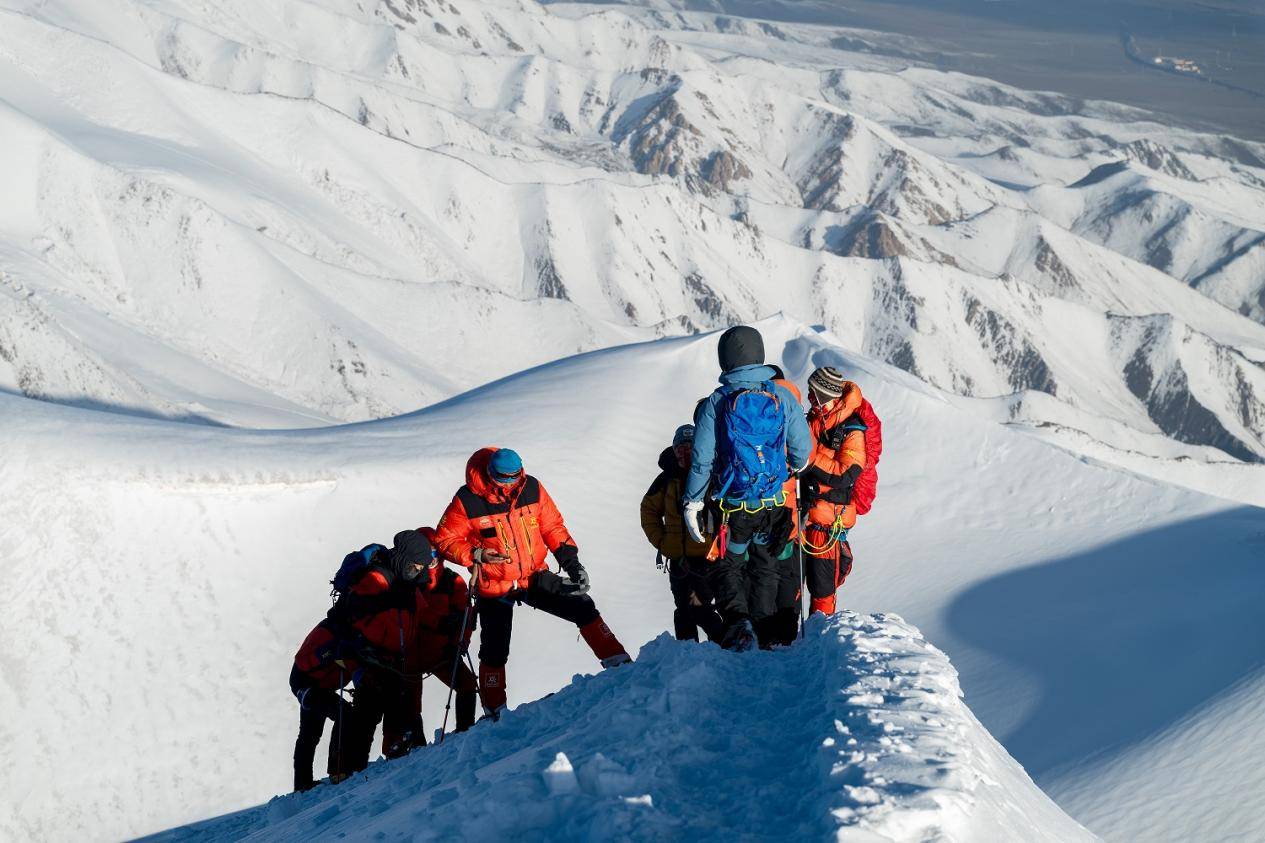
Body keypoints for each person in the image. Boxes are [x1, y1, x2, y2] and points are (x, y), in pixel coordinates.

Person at [434, 447, 631, 719]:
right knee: (494, 649)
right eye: (504, 478)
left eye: (515, 476)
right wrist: (475, 555)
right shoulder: (468, 499)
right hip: (495, 583)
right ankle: (494, 710)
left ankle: (620, 663)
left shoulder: (532, 488)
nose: (510, 483)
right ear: (491, 474)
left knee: (582, 605)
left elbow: (552, 527)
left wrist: (572, 564)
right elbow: (445, 539)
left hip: (532, 575)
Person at [684, 326, 812, 651]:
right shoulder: (780, 395)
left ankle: (739, 626)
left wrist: (692, 502)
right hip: (772, 505)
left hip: (733, 507)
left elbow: (702, 457)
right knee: (766, 567)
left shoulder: (718, 400)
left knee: (730, 566)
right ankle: (767, 631)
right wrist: (793, 467)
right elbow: (802, 450)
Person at [329, 529, 478, 767]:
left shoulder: (432, 582)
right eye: (421, 562)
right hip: (395, 656)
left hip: (425, 654)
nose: (425, 567)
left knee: (402, 701)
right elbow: (358, 613)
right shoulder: (394, 580)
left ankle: (462, 734)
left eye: (432, 559)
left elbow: (435, 614)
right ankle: (389, 755)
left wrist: (457, 639)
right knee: (393, 705)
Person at [640, 424, 724, 642]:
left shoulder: (710, 474)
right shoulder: (666, 479)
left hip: (707, 558)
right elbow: (648, 510)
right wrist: (662, 542)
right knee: (684, 609)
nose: (685, 451)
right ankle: (690, 654)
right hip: (678, 559)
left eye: (690, 446)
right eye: (680, 447)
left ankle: (724, 646)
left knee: (700, 608)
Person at [800, 367, 867, 615]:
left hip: (827, 524)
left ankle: (820, 638)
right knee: (792, 587)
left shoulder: (852, 428)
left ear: (824, 395)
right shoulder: (815, 420)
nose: (808, 396)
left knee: (822, 591)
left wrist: (809, 457)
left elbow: (846, 472)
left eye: (812, 392)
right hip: (806, 516)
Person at [289, 618, 366, 792]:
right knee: (341, 713)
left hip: (317, 686)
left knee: (309, 734)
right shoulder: (329, 631)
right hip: (307, 686)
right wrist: (330, 653)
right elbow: (304, 660)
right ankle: (337, 769)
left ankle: (303, 783)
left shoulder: (345, 635)